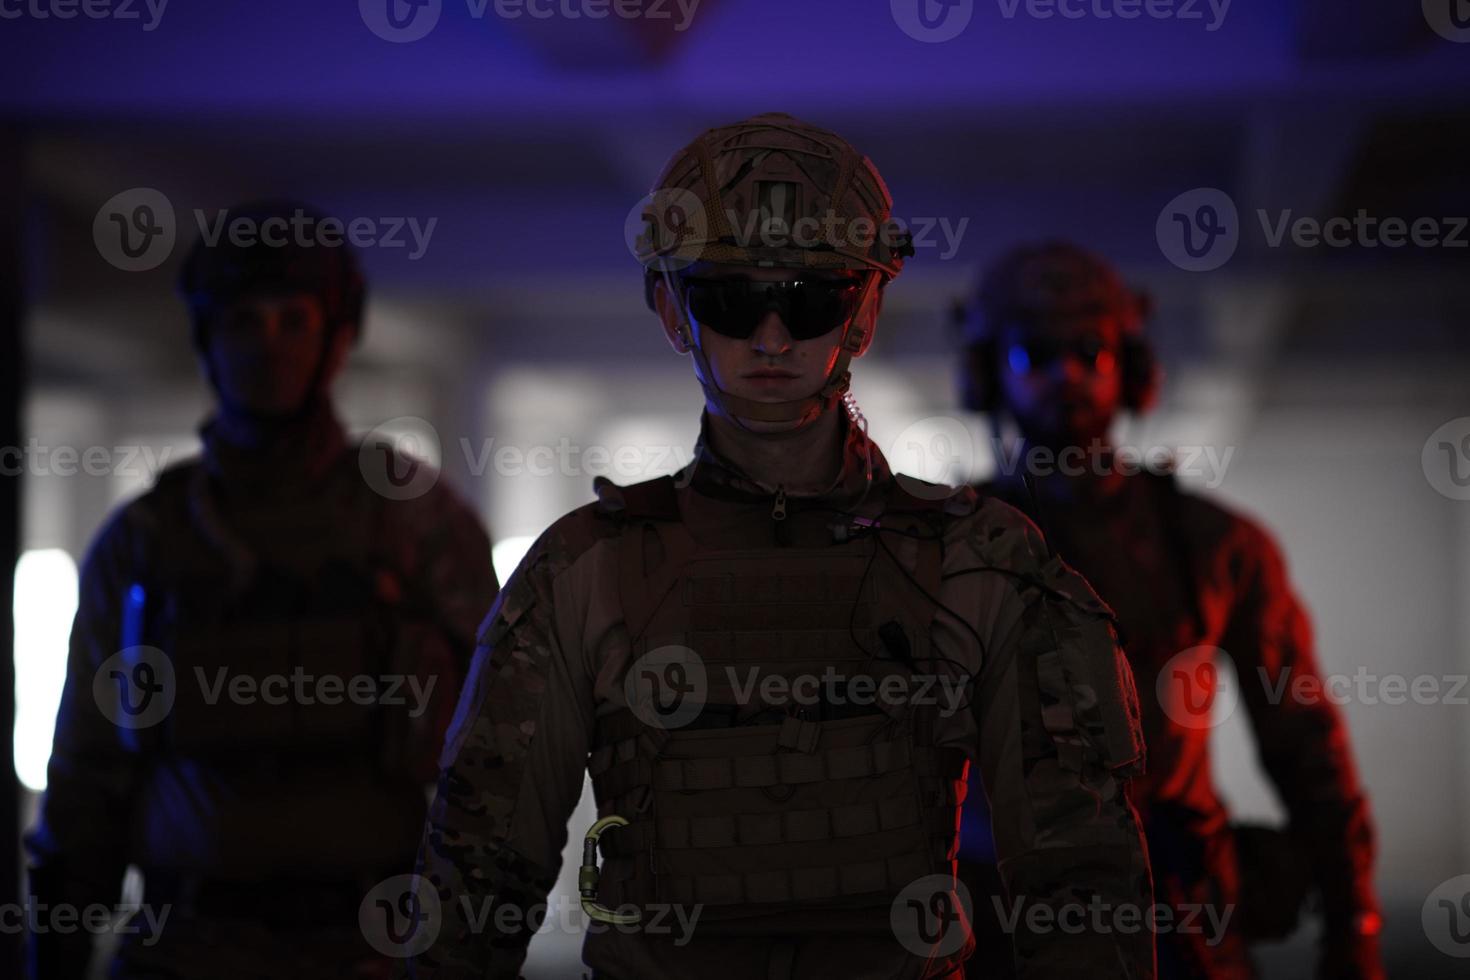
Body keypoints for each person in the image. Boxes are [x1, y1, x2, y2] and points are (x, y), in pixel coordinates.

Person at [408, 114, 1156, 980]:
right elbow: (478, 882)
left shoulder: (979, 561)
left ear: (865, 310)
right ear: (671, 310)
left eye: (809, 300)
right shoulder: (584, 570)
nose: (770, 337)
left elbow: (1080, 884)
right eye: (731, 299)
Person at [26, 201, 499, 979]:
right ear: (209, 341)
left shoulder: (415, 522)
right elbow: (86, 775)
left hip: (370, 943)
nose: (267, 346)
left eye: (293, 320)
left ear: (337, 339)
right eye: (243, 321)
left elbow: (491, 763)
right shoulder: (147, 540)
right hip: (189, 942)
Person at [953, 241, 1383, 980]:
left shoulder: (1213, 545)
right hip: (999, 929)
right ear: (993, 371)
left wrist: (1354, 927)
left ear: (1131, 366)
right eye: (1037, 353)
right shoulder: (937, 546)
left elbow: (1307, 745)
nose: (1067, 375)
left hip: (1175, 920)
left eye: (1091, 349)